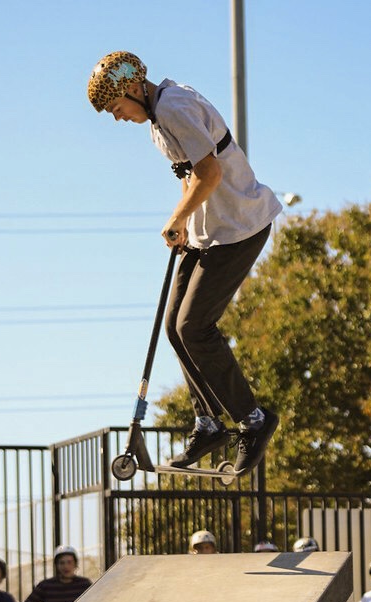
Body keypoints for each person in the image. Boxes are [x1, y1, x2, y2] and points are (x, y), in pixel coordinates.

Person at [88, 52, 282, 476]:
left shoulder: (175, 107)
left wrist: (175, 219)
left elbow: (210, 173)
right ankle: (207, 422)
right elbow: (190, 179)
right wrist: (184, 229)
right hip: (209, 232)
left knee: (195, 326)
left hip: (240, 227)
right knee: (175, 325)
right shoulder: (157, 122)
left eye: (117, 109)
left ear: (134, 89)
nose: (118, 119)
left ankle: (254, 419)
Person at [20, 545, 92, 602]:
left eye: (69, 562)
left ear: (75, 564)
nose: (66, 566)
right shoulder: (45, 586)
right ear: (56, 565)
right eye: (62, 563)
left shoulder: (84, 585)